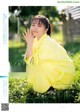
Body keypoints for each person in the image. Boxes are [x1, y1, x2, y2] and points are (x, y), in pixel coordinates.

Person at [23, 15, 76, 93]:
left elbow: (32, 61)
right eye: (33, 25)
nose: (35, 28)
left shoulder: (47, 43)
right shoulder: (36, 40)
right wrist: (29, 43)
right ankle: (48, 84)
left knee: (40, 65)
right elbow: (28, 59)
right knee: (35, 65)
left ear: (46, 30)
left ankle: (50, 87)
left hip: (64, 74)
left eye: (39, 25)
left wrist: (30, 43)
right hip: (56, 69)